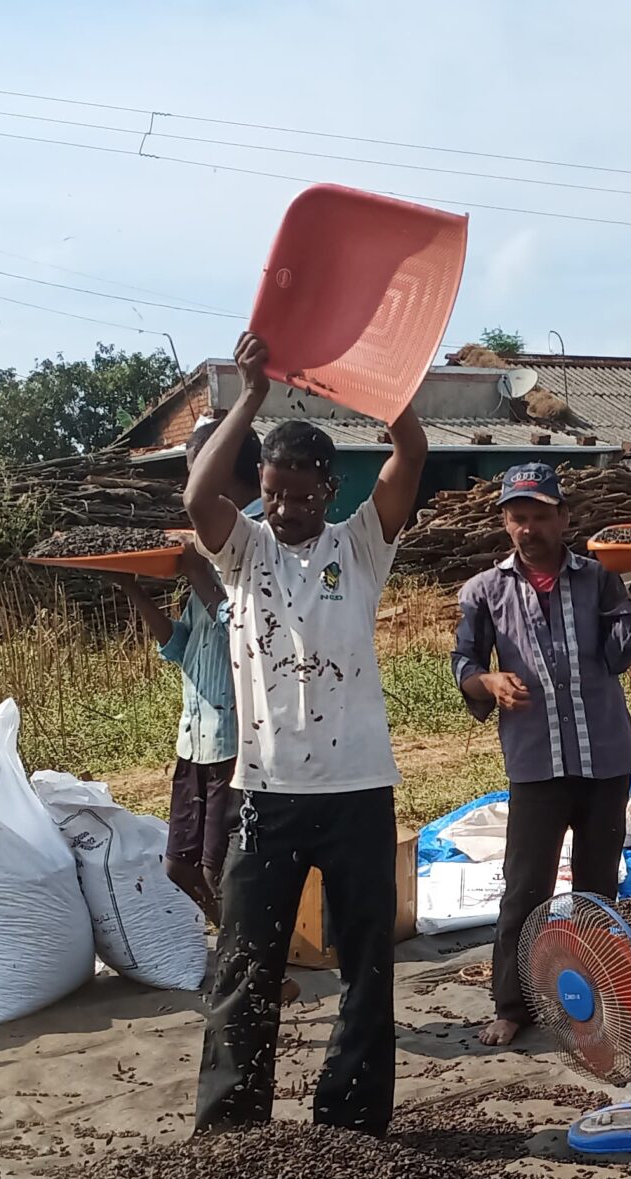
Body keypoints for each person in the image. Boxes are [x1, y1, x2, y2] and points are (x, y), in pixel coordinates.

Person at [182, 329, 427, 1136]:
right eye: (273, 493)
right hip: (267, 796)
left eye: (302, 494)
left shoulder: (359, 548)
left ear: (329, 488)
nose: (286, 509)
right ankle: (231, 1129)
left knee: (367, 967)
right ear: (261, 488)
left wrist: (388, 389)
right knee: (244, 965)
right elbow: (197, 499)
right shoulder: (243, 551)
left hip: (358, 793)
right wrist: (248, 396)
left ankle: (351, 1127)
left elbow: (411, 454)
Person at [450, 461, 631, 1046]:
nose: (529, 529)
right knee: (526, 888)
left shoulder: (597, 579)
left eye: (540, 516)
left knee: (598, 888)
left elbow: (619, 654)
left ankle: (605, 996)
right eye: (518, 517)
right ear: (505, 523)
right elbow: (464, 662)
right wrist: (489, 682)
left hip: (604, 758)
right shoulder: (485, 591)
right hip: (536, 762)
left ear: (563, 518)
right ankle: (513, 1005)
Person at [127, 414, 260, 926]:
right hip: (196, 739)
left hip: (234, 740)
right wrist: (132, 588)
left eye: (196, 473)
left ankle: (244, 952)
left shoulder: (257, 543)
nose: (189, 489)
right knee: (179, 865)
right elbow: (182, 646)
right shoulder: (209, 549)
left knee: (216, 867)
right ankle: (237, 944)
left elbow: (243, 628)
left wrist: (199, 572)